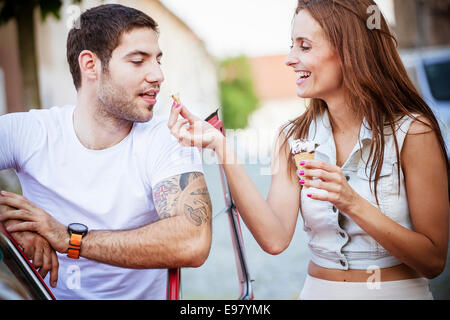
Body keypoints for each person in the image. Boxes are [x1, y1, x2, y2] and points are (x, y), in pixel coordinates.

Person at [168, 0, 449, 300]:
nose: (289, 59)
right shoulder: (292, 136)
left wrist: (351, 202)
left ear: (348, 50)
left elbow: (433, 261)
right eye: (292, 45)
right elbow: (274, 238)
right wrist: (221, 146)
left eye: (304, 46)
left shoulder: (414, 131)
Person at [0, 4, 212, 300]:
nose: (158, 75)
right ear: (90, 65)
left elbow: (193, 242)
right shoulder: (32, 132)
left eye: (158, 60)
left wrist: (70, 239)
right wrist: (8, 222)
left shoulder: (166, 138)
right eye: (138, 61)